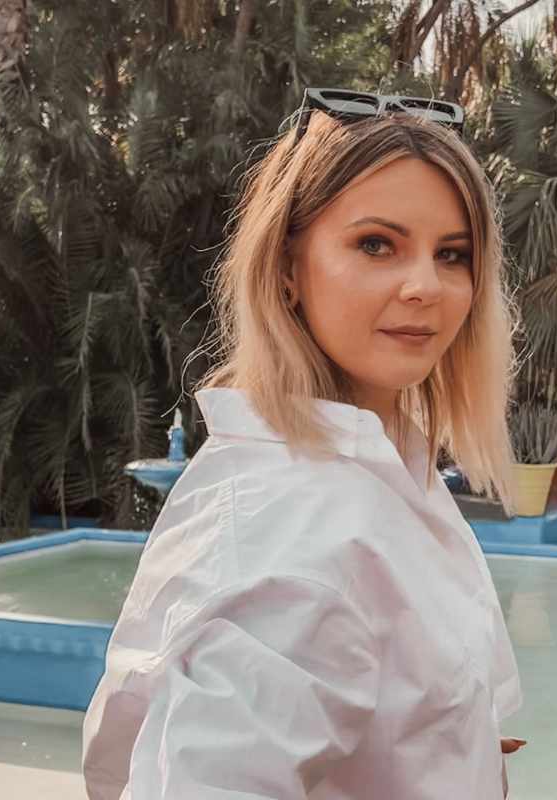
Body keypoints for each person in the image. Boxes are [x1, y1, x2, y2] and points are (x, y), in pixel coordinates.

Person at [82, 88, 526, 800]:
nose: (425, 285)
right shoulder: (297, 526)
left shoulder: (379, 468)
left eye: (452, 254)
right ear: (288, 267)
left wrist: (451, 738)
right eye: (376, 244)